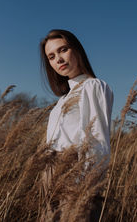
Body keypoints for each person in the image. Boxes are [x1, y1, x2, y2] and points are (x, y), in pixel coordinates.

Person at [40, 29, 114, 166]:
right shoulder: (62, 100)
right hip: (51, 172)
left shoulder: (93, 86)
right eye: (51, 57)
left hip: (73, 174)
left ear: (77, 50)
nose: (58, 59)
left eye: (63, 50)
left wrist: (88, 184)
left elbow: (98, 144)